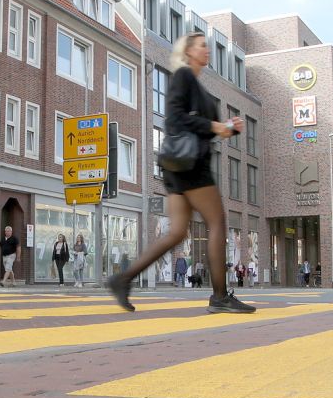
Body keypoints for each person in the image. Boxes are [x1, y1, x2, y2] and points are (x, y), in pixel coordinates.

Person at [106, 32, 255, 314]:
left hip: (178, 166)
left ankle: (122, 279)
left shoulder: (195, 83)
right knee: (218, 222)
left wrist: (228, 128)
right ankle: (220, 296)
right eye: (202, 46)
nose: (207, 50)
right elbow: (176, 119)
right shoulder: (183, 76)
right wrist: (215, 127)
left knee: (176, 233)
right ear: (188, 51)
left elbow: (199, 125)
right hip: (191, 166)